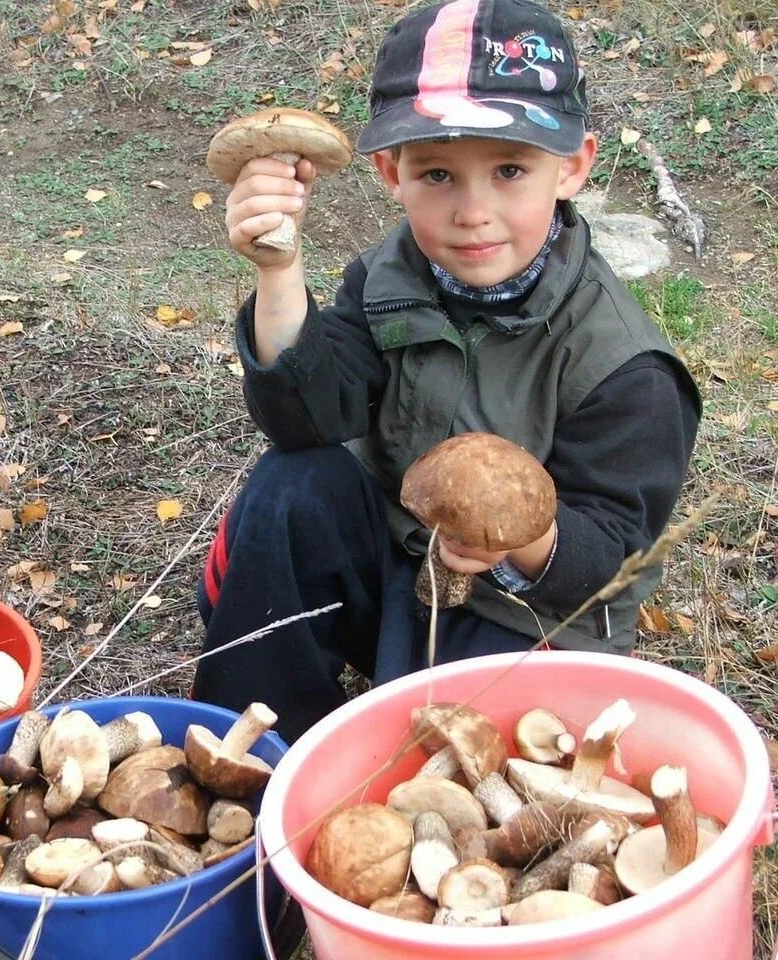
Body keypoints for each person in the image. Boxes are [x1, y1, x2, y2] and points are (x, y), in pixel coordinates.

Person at [191, 0, 702, 746]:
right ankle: (250, 757)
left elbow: (610, 553)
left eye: (509, 170)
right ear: (390, 172)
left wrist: (514, 544)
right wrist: (279, 275)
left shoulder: (624, 366)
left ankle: (398, 765)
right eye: (437, 173)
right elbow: (310, 420)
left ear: (574, 167)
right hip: (398, 564)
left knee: (447, 758)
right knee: (292, 485)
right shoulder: (387, 278)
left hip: (520, 611)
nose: (473, 211)